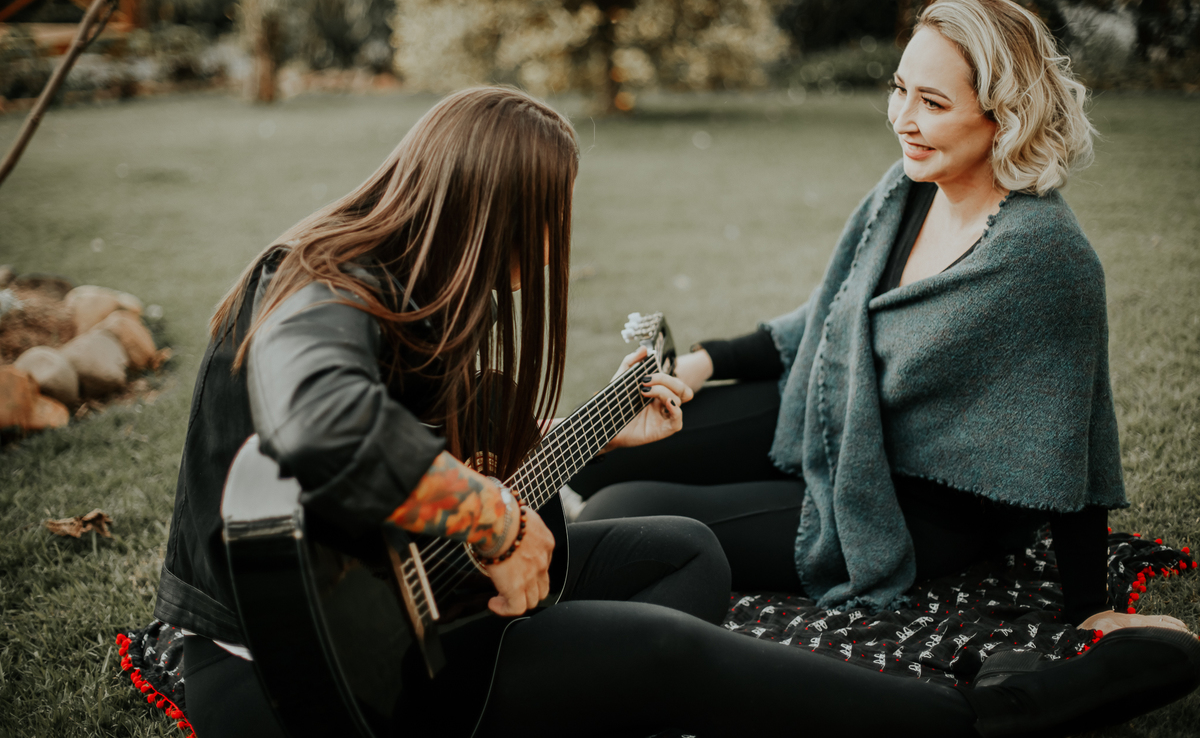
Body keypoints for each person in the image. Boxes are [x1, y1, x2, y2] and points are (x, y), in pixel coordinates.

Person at [154, 84, 1196, 738]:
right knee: (670, 653)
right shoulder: (321, 289)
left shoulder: (418, 296)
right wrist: (493, 521)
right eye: (546, 219)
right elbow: (326, 425)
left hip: (426, 608)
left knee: (685, 550)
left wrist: (586, 434)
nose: (551, 247)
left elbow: (424, 463)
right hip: (313, 678)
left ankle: (595, 689)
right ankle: (988, 714)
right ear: (486, 211)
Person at [573, 0, 1194, 644]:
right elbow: (832, 317)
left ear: (1006, 115)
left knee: (621, 512)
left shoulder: (1045, 259)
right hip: (835, 413)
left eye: (933, 103)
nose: (903, 119)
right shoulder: (908, 188)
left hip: (908, 507)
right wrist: (706, 360)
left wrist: (1087, 607)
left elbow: (1077, 441)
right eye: (900, 89)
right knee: (596, 453)